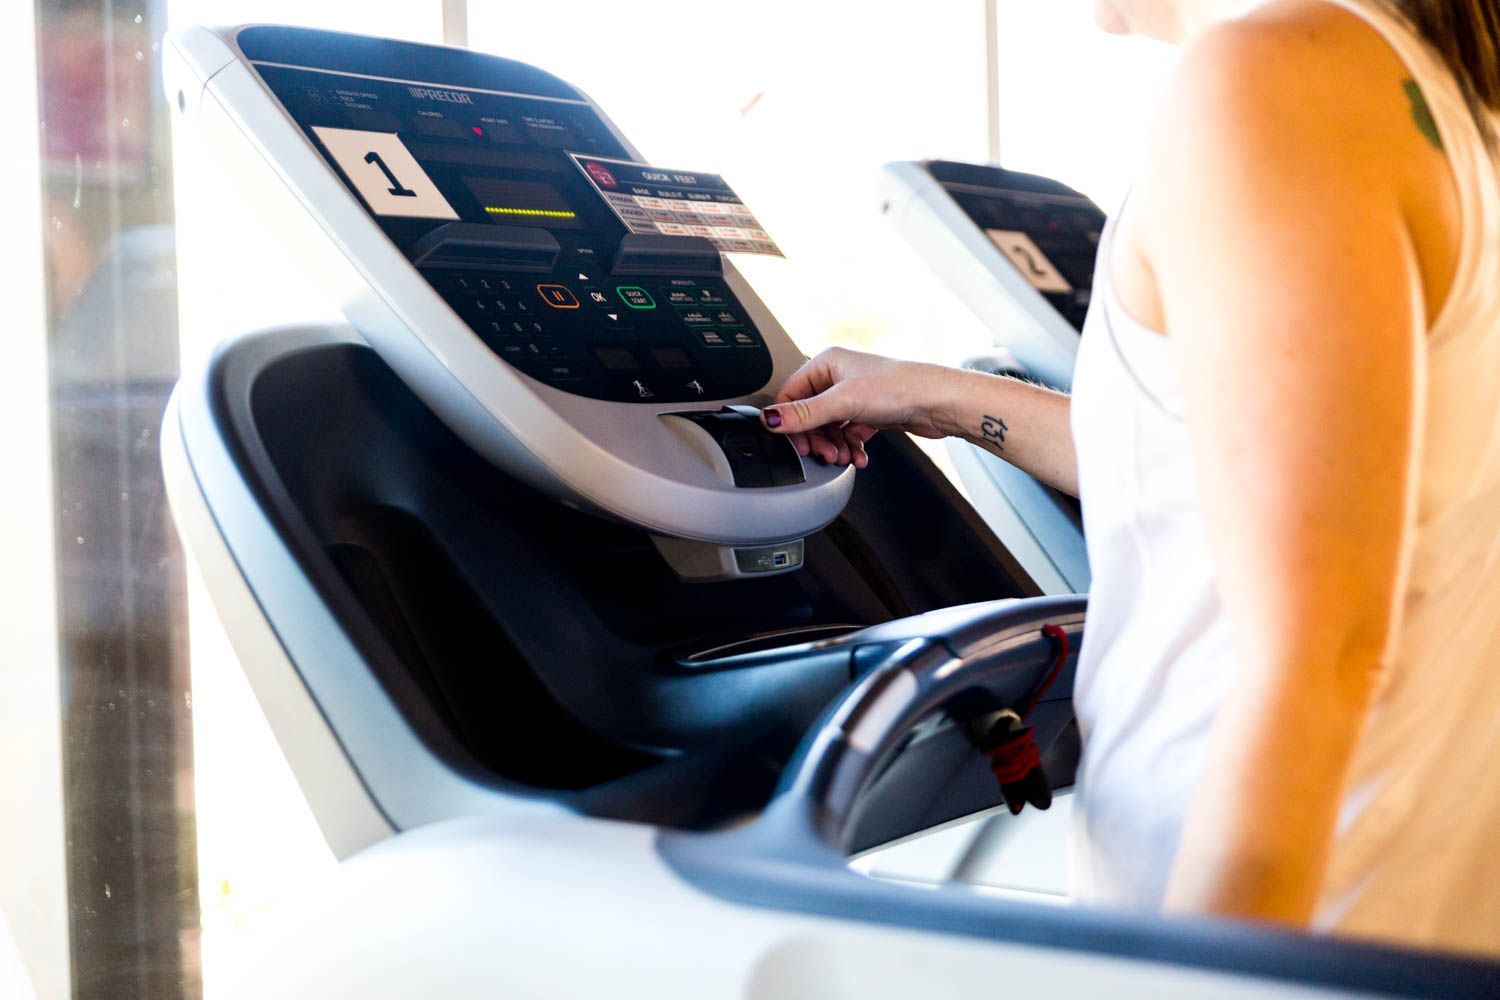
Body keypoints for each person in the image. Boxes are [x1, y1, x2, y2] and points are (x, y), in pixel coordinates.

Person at [761, 0, 1500, 956]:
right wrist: (939, 398)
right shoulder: (1419, 91)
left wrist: (1193, 979)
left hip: (1294, 927)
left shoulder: (1274, 81)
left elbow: (1316, 654)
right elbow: (1243, 469)